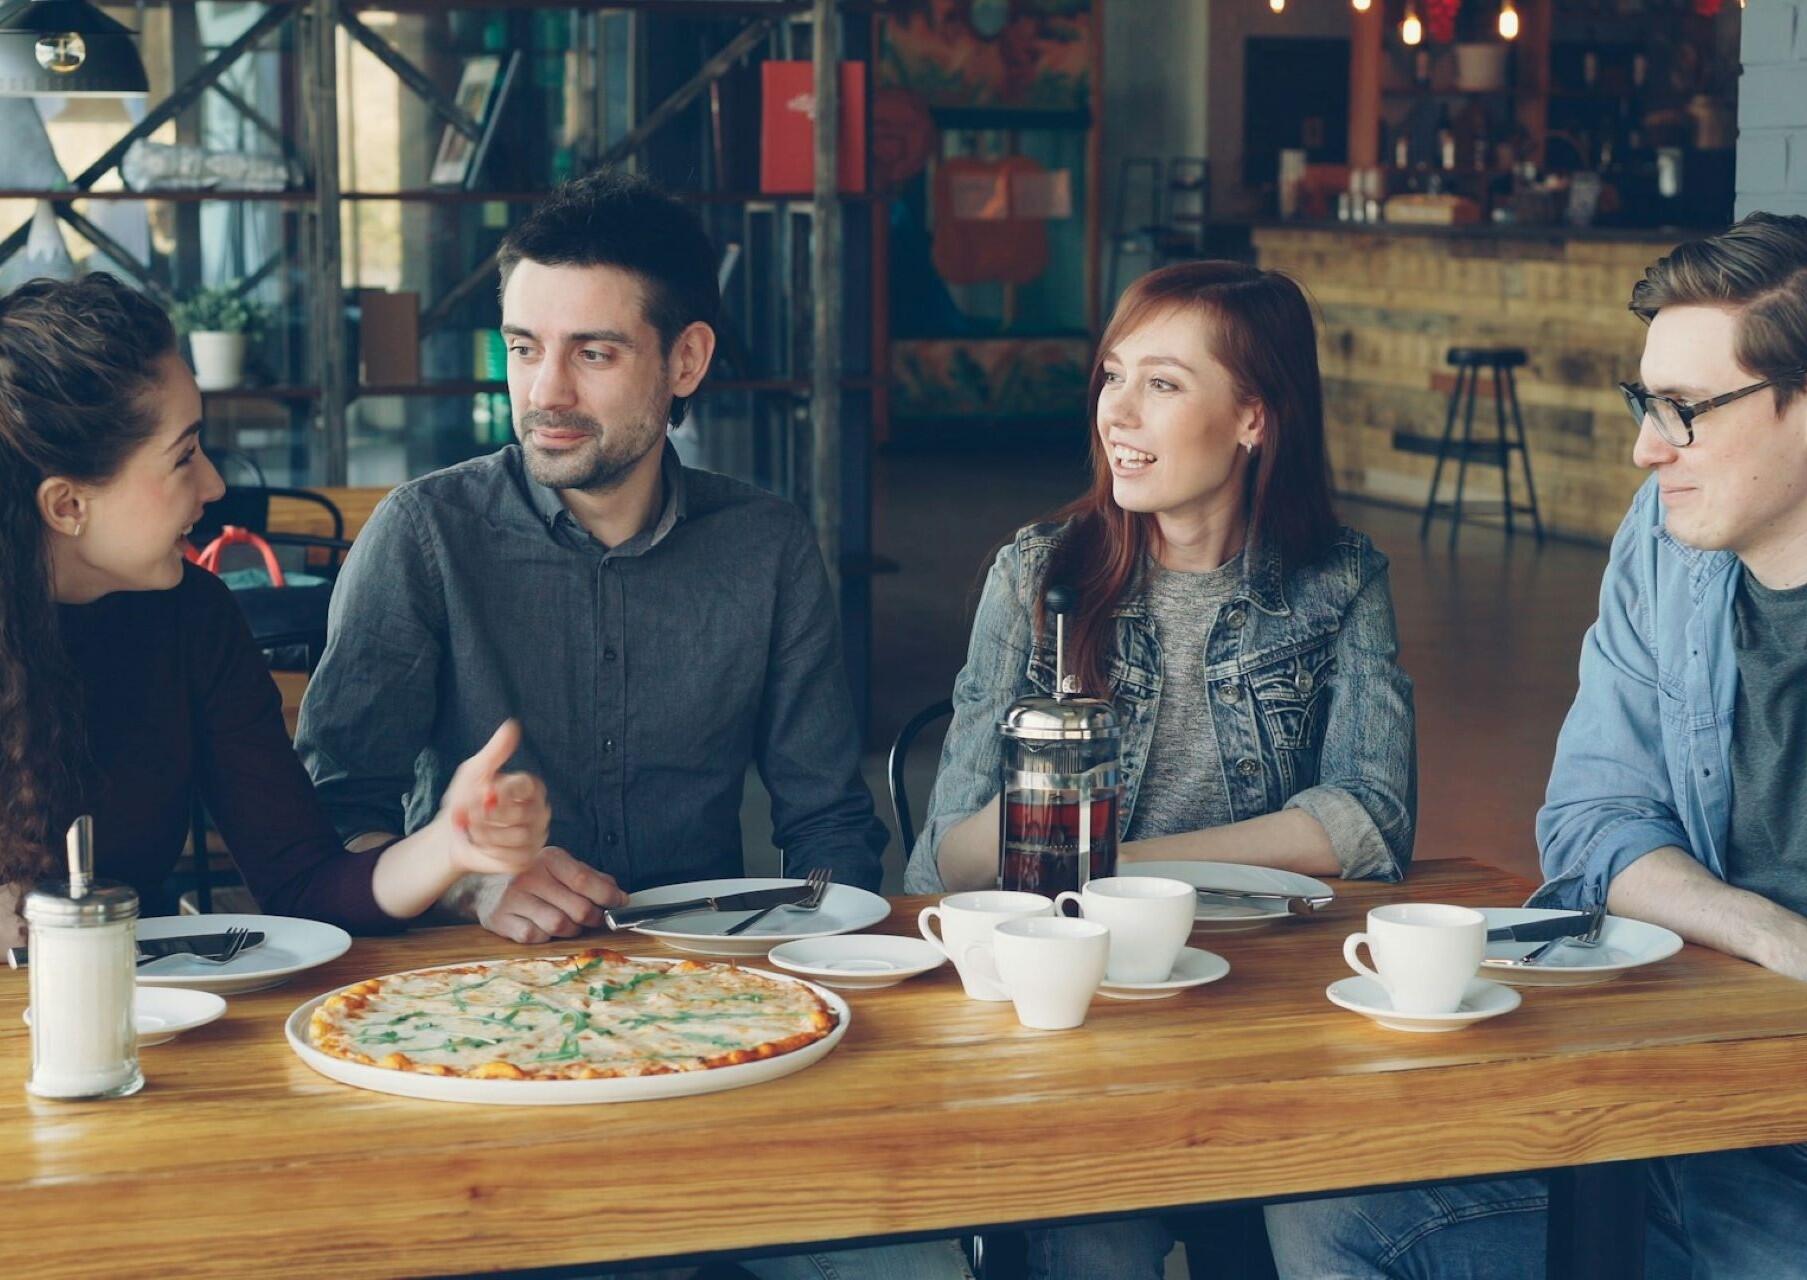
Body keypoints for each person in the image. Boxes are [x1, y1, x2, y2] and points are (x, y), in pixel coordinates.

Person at [1265, 213, 1807, 1278]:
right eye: (1644, 401)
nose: (1645, 446)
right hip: (1677, 1092)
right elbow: (1592, 819)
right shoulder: (1663, 539)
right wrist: (1778, 941)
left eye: (1686, 410)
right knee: (1340, 1212)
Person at [907, 259, 1418, 1278]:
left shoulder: (1338, 581)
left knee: (1314, 1222)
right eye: (1112, 374)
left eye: (1165, 383)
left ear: (1254, 419)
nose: (1118, 411)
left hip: (1263, 1020)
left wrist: (1113, 862)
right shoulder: (1037, 574)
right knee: (1093, 1233)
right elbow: (946, 856)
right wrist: (1077, 839)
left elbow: (1369, 823)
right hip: (1076, 1021)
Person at [296, 170, 887, 946]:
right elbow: (331, 827)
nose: (547, 392)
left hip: (707, 982)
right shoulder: (424, 536)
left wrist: (829, 959)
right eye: (523, 347)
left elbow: (828, 823)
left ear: (686, 362)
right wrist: (468, 883)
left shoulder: (766, 547)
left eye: (595, 354)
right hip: (469, 986)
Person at [0, 273, 551, 947]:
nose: (215, 484)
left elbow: (305, 884)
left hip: (136, 1020)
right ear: (67, 506)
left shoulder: (193, 617)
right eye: (183, 456)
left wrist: (449, 848)